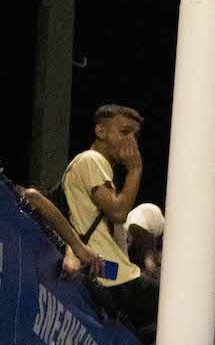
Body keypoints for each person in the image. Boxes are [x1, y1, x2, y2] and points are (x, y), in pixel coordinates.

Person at [49, 104, 145, 292]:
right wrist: (135, 169)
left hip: (111, 272)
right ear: (101, 131)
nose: (132, 141)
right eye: (125, 132)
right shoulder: (91, 159)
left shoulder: (102, 169)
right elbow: (118, 212)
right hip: (111, 276)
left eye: (135, 136)